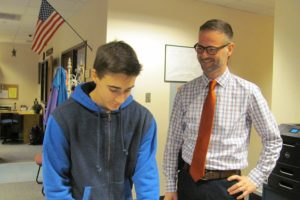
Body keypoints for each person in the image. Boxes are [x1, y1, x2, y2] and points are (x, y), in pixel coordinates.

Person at [163, 19, 282, 200]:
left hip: (227, 188)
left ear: (230, 49)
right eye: (200, 48)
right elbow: (173, 142)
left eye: (211, 49)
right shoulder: (185, 92)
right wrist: (170, 186)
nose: (203, 55)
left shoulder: (248, 92)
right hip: (187, 183)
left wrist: (255, 178)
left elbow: (273, 139)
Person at [43, 41, 160, 200]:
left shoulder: (143, 119)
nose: (120, 99)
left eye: (128, 89)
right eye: (114, 89)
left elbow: (147, 177)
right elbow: (55, 184)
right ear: (95, 75)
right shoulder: (63, 118)